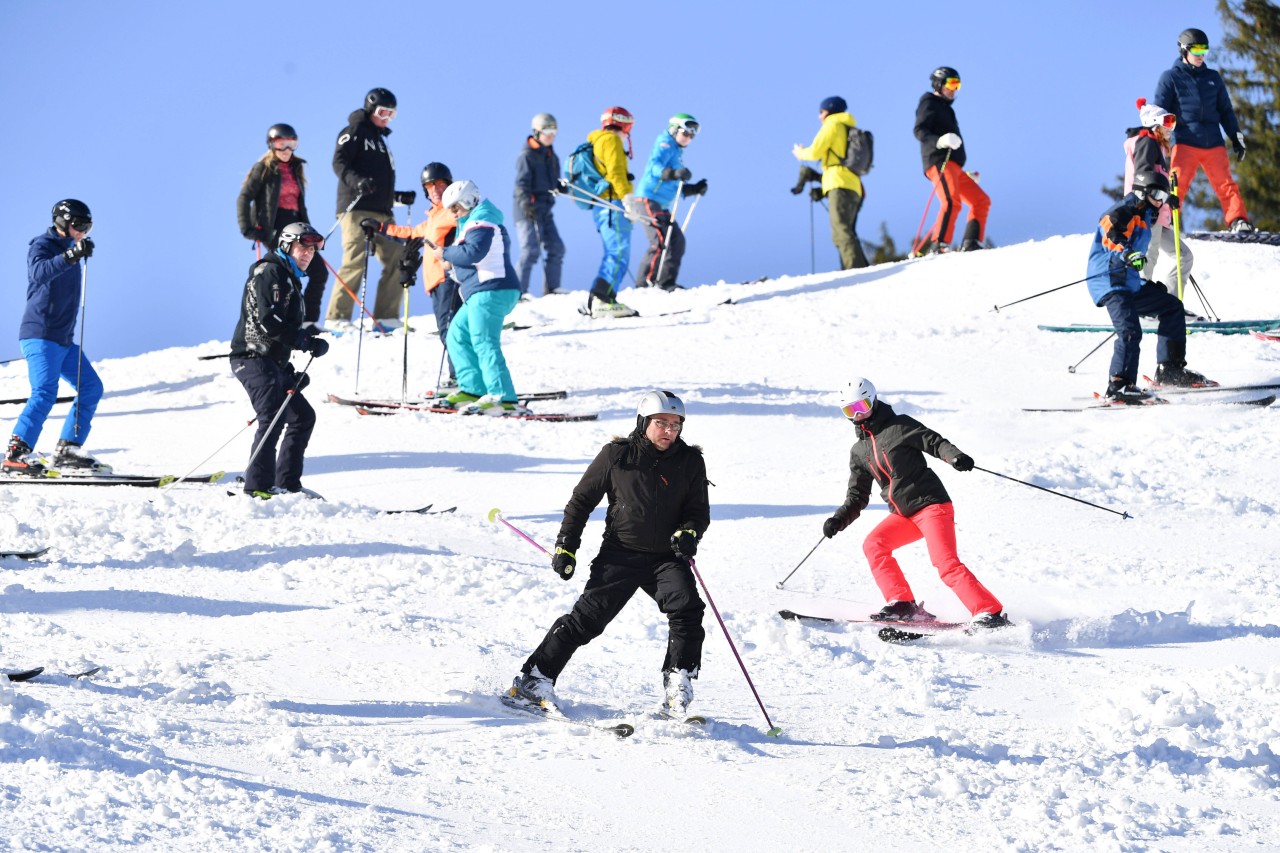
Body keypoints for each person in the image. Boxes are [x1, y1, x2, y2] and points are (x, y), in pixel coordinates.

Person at [509, 390, 710, 716]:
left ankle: (678, 681)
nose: (669, 431)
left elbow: (697, 511)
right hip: (620, 554)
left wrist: (689, 532)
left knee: (687, 609)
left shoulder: (690, 461)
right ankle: (534, 681)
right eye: (661, 422)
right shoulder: (617, 456)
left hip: (665, 558)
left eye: (675, 424)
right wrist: (566, 546)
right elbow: (581, 502)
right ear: (644, 421)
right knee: (586, 621)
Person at [822, 378, 1008, 628]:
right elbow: (857, 495)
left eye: (862, 406)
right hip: (903, 515)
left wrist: (955, 457)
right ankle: (903, 603)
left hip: (931, 505)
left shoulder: (900, 426)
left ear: (873, 401)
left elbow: (934, 442)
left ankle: (989, 612)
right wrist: (839, 519)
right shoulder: (859, 451)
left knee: (945, 563)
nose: (858, 414)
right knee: (874, 544)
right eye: (850, 410)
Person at [1086, 170, 1214, 403]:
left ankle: (1170, 370)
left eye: (1162, 197)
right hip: (1110, 279)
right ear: (1141, 192)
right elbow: (1111, 232)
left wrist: (1166, 200)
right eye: (1155, 194)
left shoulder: (1146, 215)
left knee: (1171, 307)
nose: (1159, 201)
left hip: (1129, 282)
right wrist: (1128, 252)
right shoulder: (1124, 210)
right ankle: (1120, 385)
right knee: (1130, 330)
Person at [229, 222, 331, 497]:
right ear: (286, 245)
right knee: (272, 416)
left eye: (313, 248)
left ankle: (287, 483)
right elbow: (268, 320)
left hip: (269, 361)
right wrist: (305, 341)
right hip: (251, 357)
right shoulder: (270, 271)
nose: (308, 253)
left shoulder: (288, 278)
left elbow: (278, 332)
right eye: (303, 246)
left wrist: (288, 371)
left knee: (302, 416)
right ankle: (257, 487)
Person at [4, 200, 104, 474]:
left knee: (92, 387)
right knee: (45, 392)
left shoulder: (70, 250)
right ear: (62, 221)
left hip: (63, 340)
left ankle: (67, 449)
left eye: (88, 227)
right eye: (79, 225)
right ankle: (16, 453)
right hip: (40, 334)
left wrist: (73, 254)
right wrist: (70, 257)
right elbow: (38, 273)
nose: (83, 231)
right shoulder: (42, 245)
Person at [429, 181, 525, 414]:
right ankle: (472, 389)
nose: (453, 213)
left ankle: (503, 396)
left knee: (484, 341)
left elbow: (474, 253)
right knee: (457, 336)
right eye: (449, 209)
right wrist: (451, 265)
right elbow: (472, 260)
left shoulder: (482, 220)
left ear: (469, 200)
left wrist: (446, 252)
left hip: (492, 289)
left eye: (455, 207)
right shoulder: (469, 225)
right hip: (478, 292)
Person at [326, 88, 414, 330]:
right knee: (356, 259)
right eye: (383, 112)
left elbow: (377, 184)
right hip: (357, 209)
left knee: (399, 256)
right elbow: (339, 161)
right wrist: (357, 182)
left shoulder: (381, 141)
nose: (386, 118)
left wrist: (396, 197)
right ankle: (338, 319)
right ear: (371, 108)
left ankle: (386, 318)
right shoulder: (355, 131)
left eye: (391, 115)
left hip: (383, 212)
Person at [1154, 28, 1252, 233]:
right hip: (1185, 141)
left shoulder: (1213, 78)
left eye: (1204, 50)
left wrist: (1236, 136)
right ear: (1184, 50)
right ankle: (1167, 222)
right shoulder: (1170, 78)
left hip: (1213, 142)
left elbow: (1225, 110)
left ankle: (1238, 221)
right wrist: (1158, 143)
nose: (1201, 55)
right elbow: (1160, 111)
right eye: (1197, 50)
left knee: (1226, 184)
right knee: (1176, 185)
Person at [376, 162, 461, 390]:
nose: (435, 189)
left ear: (449, 185)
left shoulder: (452, 212)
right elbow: (411, 234)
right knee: (447, 330)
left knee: (451, 330)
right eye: (430, 185)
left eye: (440, 184)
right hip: (434, 282)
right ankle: (463, 376)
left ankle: (461, 378)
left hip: (448, 279)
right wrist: (380, 228)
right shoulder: (433, 218)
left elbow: (468, 226)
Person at [236, 123, 330, 328]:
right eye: (281, 144)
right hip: (275, 228)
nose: (287, 150)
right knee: (285, 273)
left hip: (297, 226)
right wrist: (248, 228)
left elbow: (299, 204)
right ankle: (279, 322)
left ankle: (307, 322)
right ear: (271, 145)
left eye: (292, 144)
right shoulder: (264, 168)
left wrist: (310, 231)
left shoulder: (296, 167)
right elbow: (244, 197)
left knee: (319, 273)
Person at [913, 67, 990, 254]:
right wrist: (939, 141)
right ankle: (939, 245)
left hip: (954, 167)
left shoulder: (946, 109)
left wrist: (965, 174)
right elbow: (920, 130)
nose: (954, 89)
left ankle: (971, 242)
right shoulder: (929, 102)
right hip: (939, 162)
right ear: (939, 84)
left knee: (981, 200)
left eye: (958, 85)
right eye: (951, 84)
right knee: (951, 201)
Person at [1123, 99, 1193, 301]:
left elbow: (1153, 179)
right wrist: (1158, 199)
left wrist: (1168, 197)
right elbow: (1144, 177)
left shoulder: (1157, 147)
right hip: (1147, 213)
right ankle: (1143, 307)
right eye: (1167, 122)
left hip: (1158, 215)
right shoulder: (1147, 142)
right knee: (1149, 257)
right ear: (1154, 123)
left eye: (1173, 122)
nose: (1171, 128)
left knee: (1184, 257)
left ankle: (1170, 304)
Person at [791, 97, 868, 270]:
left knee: (840, 231)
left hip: (838, 183)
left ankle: (854, 270)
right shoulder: (847, 125)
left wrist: (800, 152)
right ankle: (860, 268)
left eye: (821, 112)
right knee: (848, 231)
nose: (819, 117)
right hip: (853, 185)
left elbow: (815, 151)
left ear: (830, 111)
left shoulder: (832, 125)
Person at [633, 113, 707, 290]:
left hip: (660, 204)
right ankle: (644, 285)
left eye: (692, 135)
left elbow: (674, 189)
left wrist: (693, 189)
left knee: (676, 241)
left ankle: (666, 283)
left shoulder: (676, 152)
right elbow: (654, 166)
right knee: (661, 239)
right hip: (648, 200)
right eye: (686, 132)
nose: (689, 137)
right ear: (674, 129)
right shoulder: (665, 143)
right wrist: (673, 173)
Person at [585, 106, 638, 319]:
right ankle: (602, 299)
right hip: (612, 204)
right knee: (619, 253)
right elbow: (616, 173)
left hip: (601, 206)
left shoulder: (597, 140)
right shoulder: (611, 140)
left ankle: (598, 299)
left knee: (613, 252)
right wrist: (627, 199)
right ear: (624, 124)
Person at [514, 113, 566, 297]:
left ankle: (552, 289)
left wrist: (562, 187)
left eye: (554, 131)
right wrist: (526, 204)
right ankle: (518, 292)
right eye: (547, 131)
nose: (551, 135)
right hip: (527, 211)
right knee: (530, 251)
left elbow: (553, 182)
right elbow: (521, 184)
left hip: (545, 210)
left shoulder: (552, 157)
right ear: (536, 132)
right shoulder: (527, 155)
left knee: (556, 247)